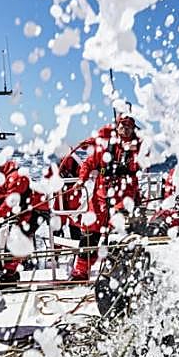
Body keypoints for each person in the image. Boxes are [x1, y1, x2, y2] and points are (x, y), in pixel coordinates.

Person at [69, 114, 141, 281]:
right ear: (117, 126)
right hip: (101, 195)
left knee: (118, 232)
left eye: (129, 125)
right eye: (122, 124)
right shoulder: (104, 146)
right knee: (89, 232)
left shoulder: (138, 147)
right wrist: (81, 180)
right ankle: (81, 271)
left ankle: (115, 273)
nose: (125, 128)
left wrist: (134, 151)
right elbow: (88, 163)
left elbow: (145, 161)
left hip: (124, 195)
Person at [0, 159, 49, 285]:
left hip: (36, 211)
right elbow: (0, 192)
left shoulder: (15, 178)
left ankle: (10, 275)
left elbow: (8, 203)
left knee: (16, 241)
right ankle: (12, 272)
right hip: (31, 210)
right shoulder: (12, 176)